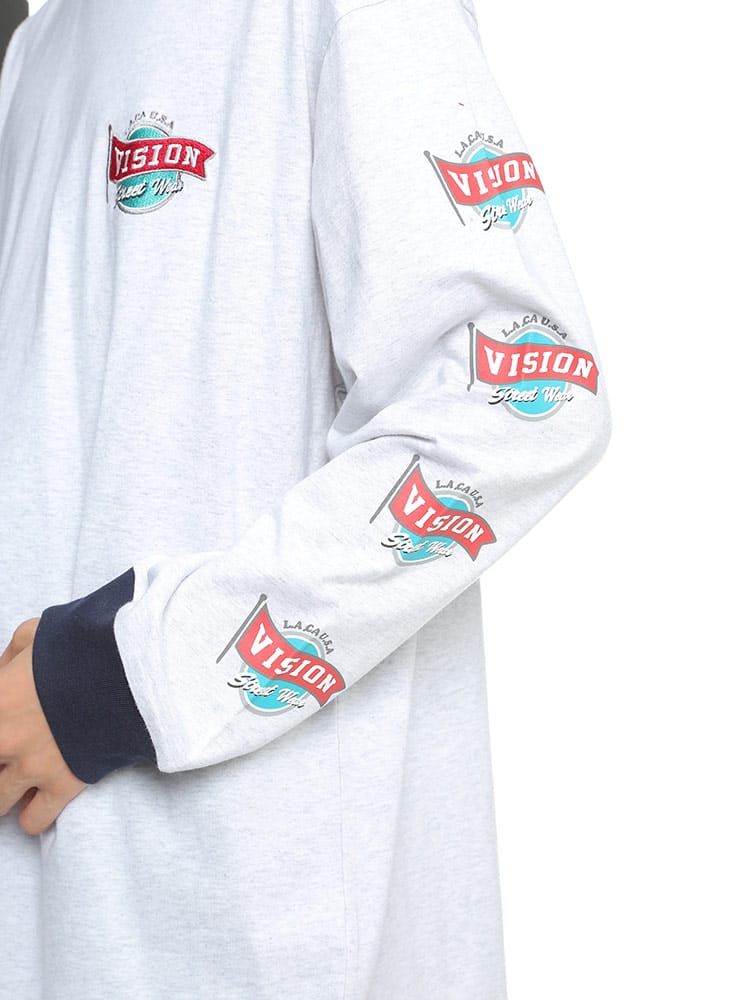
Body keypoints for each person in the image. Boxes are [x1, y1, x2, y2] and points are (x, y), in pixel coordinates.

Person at [0, 0, 611, 996]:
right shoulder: (41, 43)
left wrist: (127, 676)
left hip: (260, 934)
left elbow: (518, 397)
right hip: (50, 924)